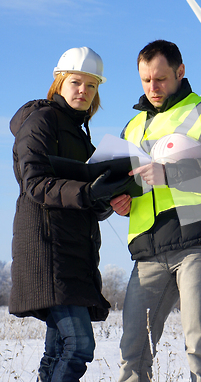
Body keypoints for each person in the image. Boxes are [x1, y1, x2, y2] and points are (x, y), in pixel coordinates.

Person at [110, 40, 201, 382]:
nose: (152, 88)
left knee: (200, 349)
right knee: (133, 353)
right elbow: (127, 181)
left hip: (199, 241)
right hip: (148, 251)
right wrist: (118, 202)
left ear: (180, 72)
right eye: (145, 80)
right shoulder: (132, 127)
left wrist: (169, 174)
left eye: (160, 78)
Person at [9, 47, 131, 382]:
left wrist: (109, 199)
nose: (84, 91)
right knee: (78, 346)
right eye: (76, 82)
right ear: (59, 82)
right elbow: (36, 184)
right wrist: (91, 192)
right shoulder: (41, 121)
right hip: (48, 248)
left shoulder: (80, 134)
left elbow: (87, 197)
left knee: (58, 350)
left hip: (75, 252)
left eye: (92, 86)